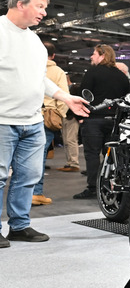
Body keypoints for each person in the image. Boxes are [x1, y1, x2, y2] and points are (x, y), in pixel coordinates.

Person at [0, 0, 91, 248]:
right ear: (21, 4)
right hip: (3, 120)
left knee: (27, 177)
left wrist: (65, 97)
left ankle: (19, 226)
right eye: (40, 6)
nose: (44, 12)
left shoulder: (35, 42)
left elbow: (40, 79)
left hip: (33, 122)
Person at [74, 44, 130, 199]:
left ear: (102, 55)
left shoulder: (92, 72)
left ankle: (93, 188)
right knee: (112, 155)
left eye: (94, 54)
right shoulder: (121, 76)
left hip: (94, 119)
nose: (92, 57)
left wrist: (81, 116)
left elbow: (84, 95)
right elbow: (128, 97)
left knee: (92, 154)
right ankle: (109, 185)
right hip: (115, 121)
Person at [33, 42, 70, 206]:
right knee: (38, 157)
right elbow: (63, 97)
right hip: (47, 117)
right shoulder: (58, 72)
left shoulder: (30, 67)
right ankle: (36, 193)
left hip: (26, 113)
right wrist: (59, 115)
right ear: (53, 55)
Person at [57, 78, 81, 173]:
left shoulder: (75, 88)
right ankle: (70, 162)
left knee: (71, 140)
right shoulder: (62, 91)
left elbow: (79, 102)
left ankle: (74, 163)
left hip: (72, 117)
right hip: (65, 116)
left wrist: (77, 116)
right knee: (66, 140)